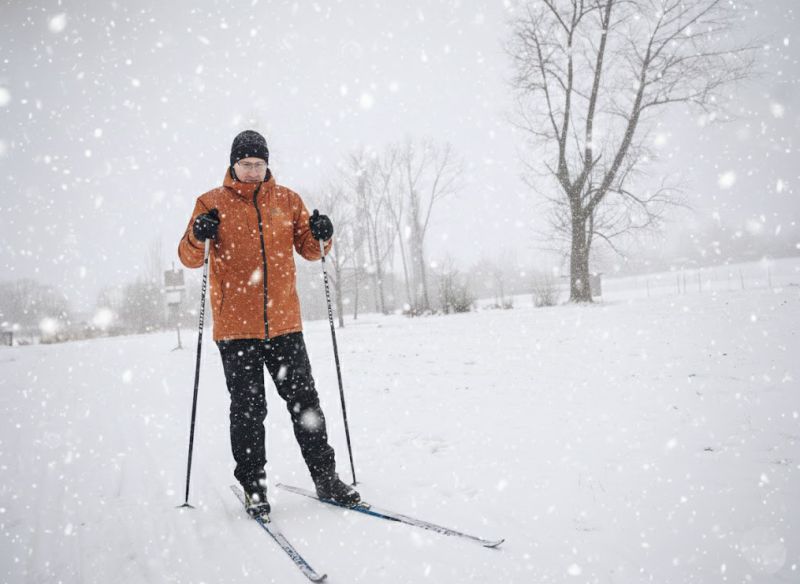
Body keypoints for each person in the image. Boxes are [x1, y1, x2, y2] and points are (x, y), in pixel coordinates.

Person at [177, 130, 360, 518]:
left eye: (259, 164)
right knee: (248, 410)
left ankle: (326, 478)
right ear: (233, 164)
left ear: (267, 164)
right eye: (246, 165)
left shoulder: (287, 200)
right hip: (236, 329)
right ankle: (254, 489)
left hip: (284, 326)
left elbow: (311, 250)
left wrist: (323, 235)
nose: (253, 171)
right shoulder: (210, 203)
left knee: (305, 404)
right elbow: (189, 257)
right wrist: (198, 234)